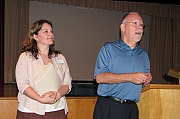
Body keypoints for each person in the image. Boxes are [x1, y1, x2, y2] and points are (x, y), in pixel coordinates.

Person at [93, 12, 152, 119]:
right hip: (110, 106)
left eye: (141, 25)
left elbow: (143, 85)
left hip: (132, 109)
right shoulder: (109, 48)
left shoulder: (144, 55)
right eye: (135, 23)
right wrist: (130, 77)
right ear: (123, 27)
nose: (139, 27)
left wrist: (146, 81)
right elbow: (99, 77)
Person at [15, 19, 72, 119]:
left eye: (51, 31)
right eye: (46, 31)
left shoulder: (60, 58)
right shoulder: (25, 57)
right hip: (31, 111)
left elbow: (67, 83)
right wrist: (41, 99)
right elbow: (22, 85)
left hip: (58, 110)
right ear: (35, 36)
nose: (50, 34)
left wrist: (58, 94)